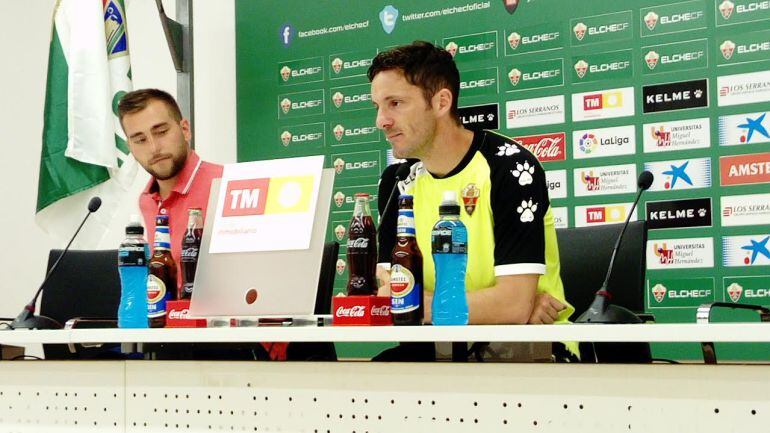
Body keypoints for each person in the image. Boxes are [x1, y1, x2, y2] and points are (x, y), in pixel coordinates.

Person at [370, 41, 576, 360]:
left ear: (441, 102)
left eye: (395, 103)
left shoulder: (510, 167)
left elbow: (512, 306)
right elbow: (388, 293)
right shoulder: (396, 180)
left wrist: (421, 303)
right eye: (378, 106)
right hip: (437, 351)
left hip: (527, 353)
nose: (381, 120)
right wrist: (499, 305)